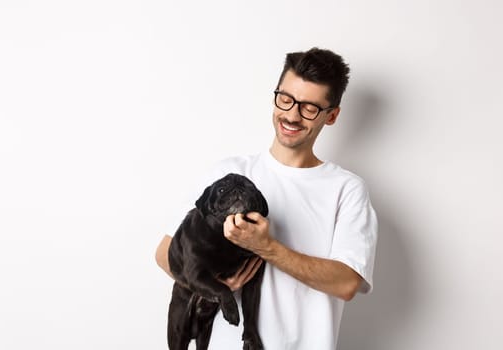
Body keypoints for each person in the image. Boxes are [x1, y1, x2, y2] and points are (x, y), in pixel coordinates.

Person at [155, 47, 378, 350]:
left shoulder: (346, 189)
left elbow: (347, 283)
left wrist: (266, 247)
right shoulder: (228, 174)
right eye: (286, 99)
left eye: (309, 107)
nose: (292, 115)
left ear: (332, 116)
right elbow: (165, 253)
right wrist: (217, 287)